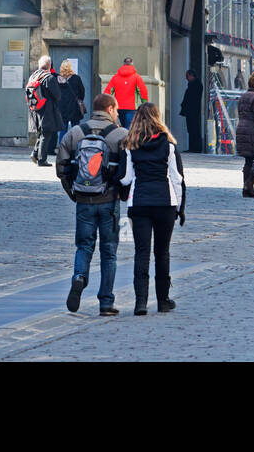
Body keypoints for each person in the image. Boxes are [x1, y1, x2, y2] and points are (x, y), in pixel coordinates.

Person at [56, 93, 127, 316]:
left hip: (84, 199)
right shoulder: (120, 135)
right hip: (109, 201)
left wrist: (73, 192)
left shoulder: (76, 133)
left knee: (84, 246)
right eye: (115, 110)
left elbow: (61, 166)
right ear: (111, 109)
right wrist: (121, 193)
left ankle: (79, 277)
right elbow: (129, 170)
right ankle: (106, 302)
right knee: (109, 252)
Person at [118, 101, 185, 315]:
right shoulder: (169, 145)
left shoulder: (130, 145)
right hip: (165, 202)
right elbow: (176, 179)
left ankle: (141, 303)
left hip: (139, 202)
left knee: (142, 252)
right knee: (162, 252)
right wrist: (180, 207)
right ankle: (163, 300)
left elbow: (126, 178)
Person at [25, 55, 63, 165]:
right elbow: (57, 95)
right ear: (49, 65)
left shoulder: (33, 76)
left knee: (41, 133)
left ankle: (35, 153)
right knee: (46, 134)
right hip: (47, 110)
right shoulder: (48, 77)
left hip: (35, 109)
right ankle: (42, 160)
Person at [104, 56, 149, 129]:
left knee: (119, 128)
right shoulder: (137, 77)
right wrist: (145, 103)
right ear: (132, 64)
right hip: (132, 108)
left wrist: (107, 105)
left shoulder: (115, 77)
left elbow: (107, 92)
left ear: (123, 64)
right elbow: (143, 92)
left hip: (118, 108)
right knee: (129, 129)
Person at [57, 61, 86, 145]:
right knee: (76, 128)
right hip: (74, 106)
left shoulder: (58, 79)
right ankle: (76, 146)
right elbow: (82, 92)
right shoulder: (76, 78)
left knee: (63, 129)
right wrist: (79, 99)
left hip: (62, 107)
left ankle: (61, 147)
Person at [180, 69, 203, 153]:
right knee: (191, 129)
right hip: (191, 111)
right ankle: (193, 147)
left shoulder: (195, 85)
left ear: (191, 75)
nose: (186, 78)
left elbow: (191, 98)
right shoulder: (194, 84)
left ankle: (195, 147)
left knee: (194, 129)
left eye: (187, 76)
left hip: (192, 111)